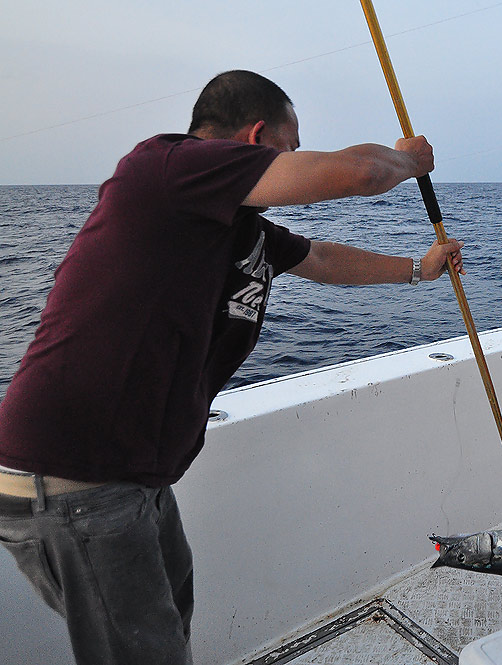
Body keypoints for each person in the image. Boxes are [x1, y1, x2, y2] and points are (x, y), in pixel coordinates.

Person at [0, 70, 464, 665]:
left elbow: (319, 258)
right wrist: (408, 162)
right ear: (255, 137)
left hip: (130, 475)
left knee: (170, 626)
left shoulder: (233, 224)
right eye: (291, 149)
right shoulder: (168, 166)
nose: (295, 161)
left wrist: (416, 270)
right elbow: (363, 172)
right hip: (74, 471)